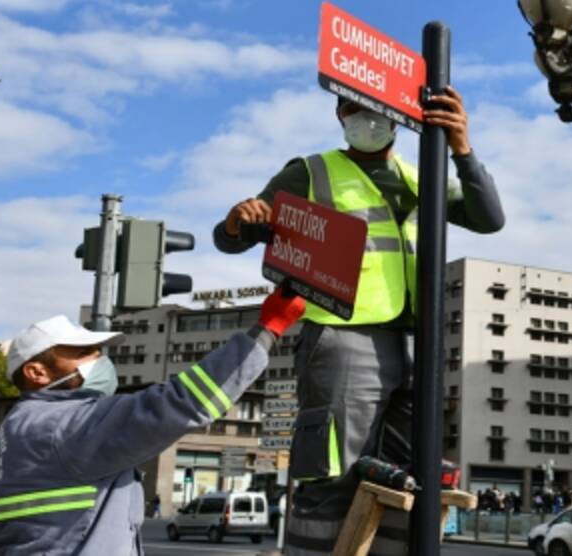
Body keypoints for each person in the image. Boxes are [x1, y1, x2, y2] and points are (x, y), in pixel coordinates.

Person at [215, 89, 504, 556]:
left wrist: (461, 148)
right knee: (332, 474)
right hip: (344, 337)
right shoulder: (311, 171)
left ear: (397, 119)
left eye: (378, 112)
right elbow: (239, 233)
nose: (367, 120)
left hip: (417, 343)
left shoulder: (419, 177)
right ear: (338, 114)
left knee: (405, 482)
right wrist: (236, 222)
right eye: (354, 110)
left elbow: (489, 219)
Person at [0, 296, 303, 555]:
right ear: (37, 373)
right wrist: (268, 329)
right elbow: (179, 403)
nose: (99, 359)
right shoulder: (60, 425)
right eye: (82, 352)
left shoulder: (16, 429)